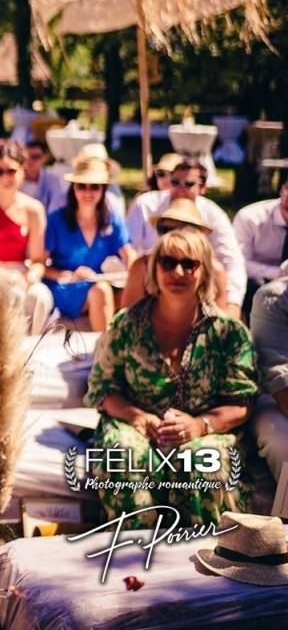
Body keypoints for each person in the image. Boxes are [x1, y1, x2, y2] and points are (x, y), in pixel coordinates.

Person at [84, 226, 257, 526]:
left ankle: (205, 563)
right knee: (125, 458)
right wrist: (137, 416)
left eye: (189, 264)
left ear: (204, 272)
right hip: (135, 425)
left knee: (203, 463)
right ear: (154, 269)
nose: (177, 271)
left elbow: (242, 402)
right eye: (168, 262)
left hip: (204, 431)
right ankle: (132, 561)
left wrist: (200, 425)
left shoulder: (228, 332)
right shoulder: (126, 325)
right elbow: (102, 390)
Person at [125, 158, 246, 317]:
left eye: (188, 184)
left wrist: (232, 307)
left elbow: (232, 263)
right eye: (175, 182)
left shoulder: (214, 216)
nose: (180, 189)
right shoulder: (145, 205)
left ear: (203, 187)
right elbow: (128, 247)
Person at [42, 154, 136, 331]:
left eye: (94, 187)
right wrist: (70, 275)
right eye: (81, 186)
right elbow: (41, 265)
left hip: (97, 283)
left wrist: (134, 275)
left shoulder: (111, 221)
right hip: (65, 285)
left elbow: (129, 253)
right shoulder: (56, 220)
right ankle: (106, 351)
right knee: (101, 291)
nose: (87, 192)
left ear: (103, 190)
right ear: (73, 188)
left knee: (131, 292)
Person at [0, 138, 53, 335]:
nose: (5, 176)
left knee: (40, 296)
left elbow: (37, 260)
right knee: (11, 295)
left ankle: (30, 351)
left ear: (23, 170)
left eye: (11, 171)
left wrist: (31, 275)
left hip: (20, 272)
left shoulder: (34, 210)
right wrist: (3, 275)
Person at [120, 198, 229, 309]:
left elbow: (219, 322)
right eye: (164, 229)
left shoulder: (215, 270)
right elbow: (128, 317)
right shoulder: (142, 265)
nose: (170, 236)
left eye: (189, 265)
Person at [249, 278, 288, 507]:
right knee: (283, 442)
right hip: (276, 400)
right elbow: (280, 382)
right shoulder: (273, 297)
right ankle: (284, 528)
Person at [232, 178, 288, 321]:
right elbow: (239, 263)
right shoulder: (250, 217)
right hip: (257, 280)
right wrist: (278, 273)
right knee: (257, 285)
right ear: (281, 189)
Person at [20, 139, 65, 214]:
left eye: (35, 157)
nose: (30, 160)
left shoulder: (52, 180)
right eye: (27, 157)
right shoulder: (14, 178)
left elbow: (55, 208)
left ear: (44, 159)